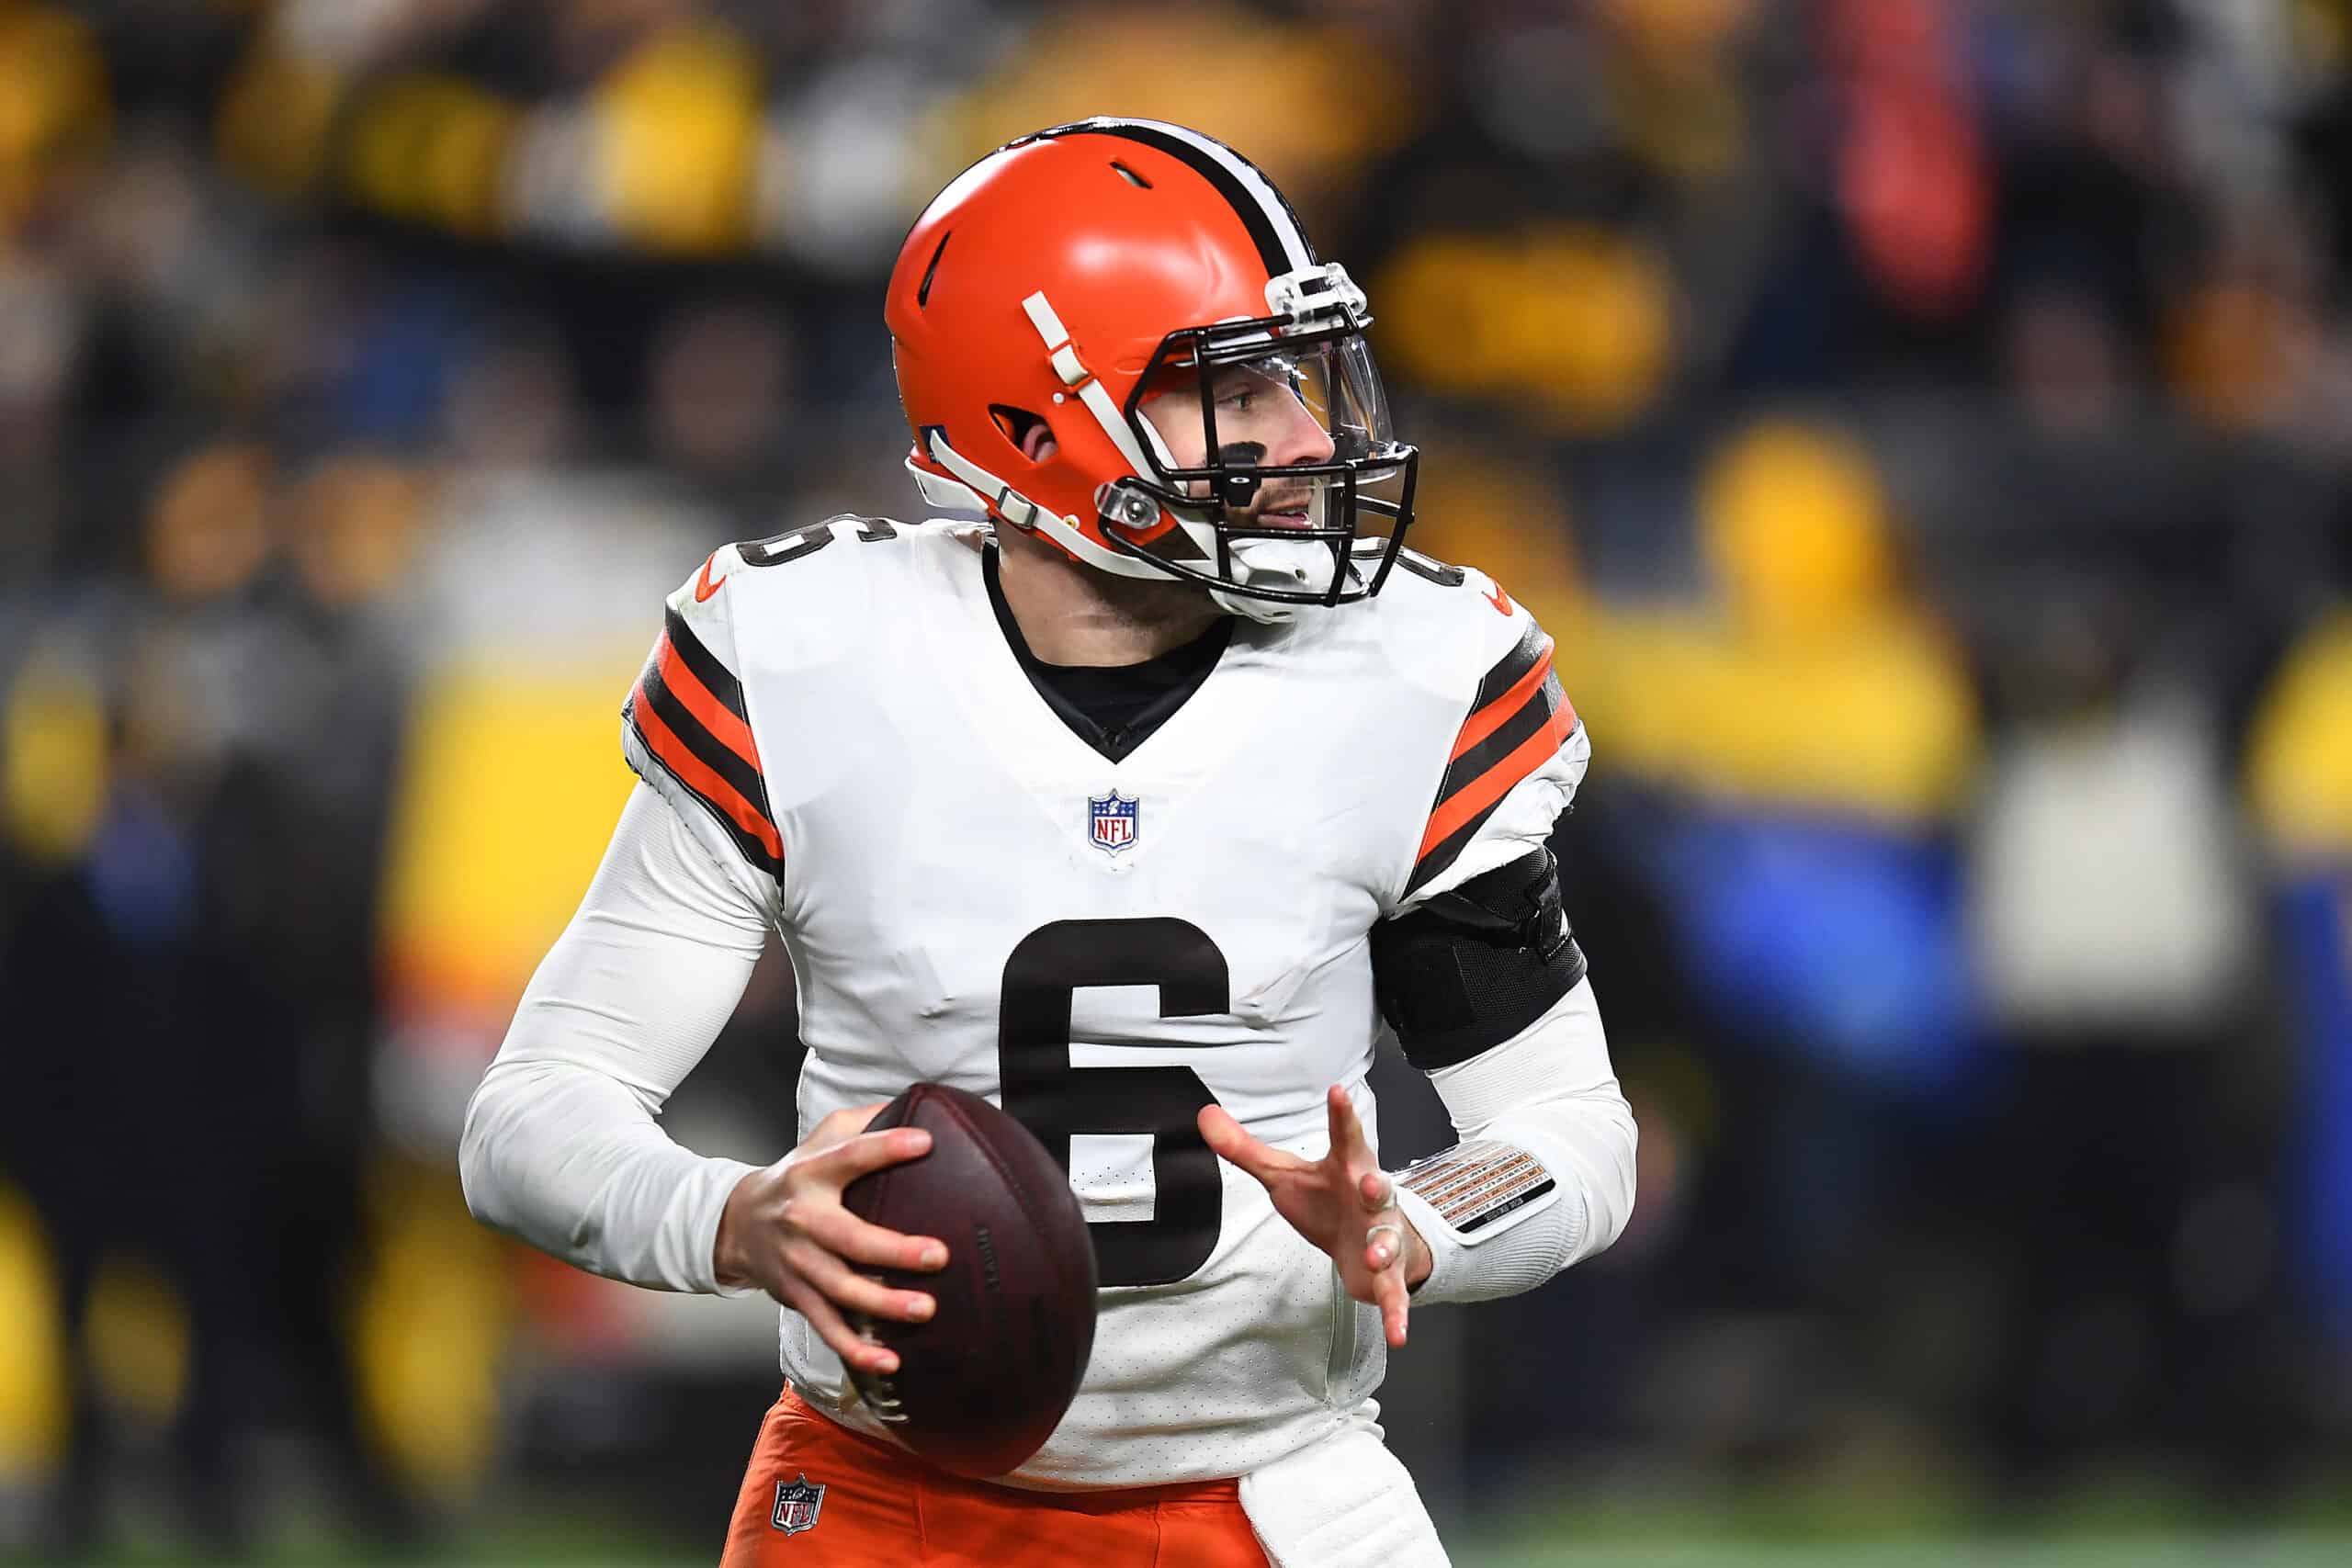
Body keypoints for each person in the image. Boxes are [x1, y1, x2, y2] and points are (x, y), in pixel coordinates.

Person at [460, 118, 1636, 1567]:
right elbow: (529, 1119)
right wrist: (730, 1218)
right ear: (1036, 424)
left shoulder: (1409, 676)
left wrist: (1418, 1220)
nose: (1312, 436)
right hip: (877, 1494)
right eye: (1235, 389)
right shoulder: (813, 659)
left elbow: (1574, 1136)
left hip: (1271, 1485)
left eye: (1302, 376)